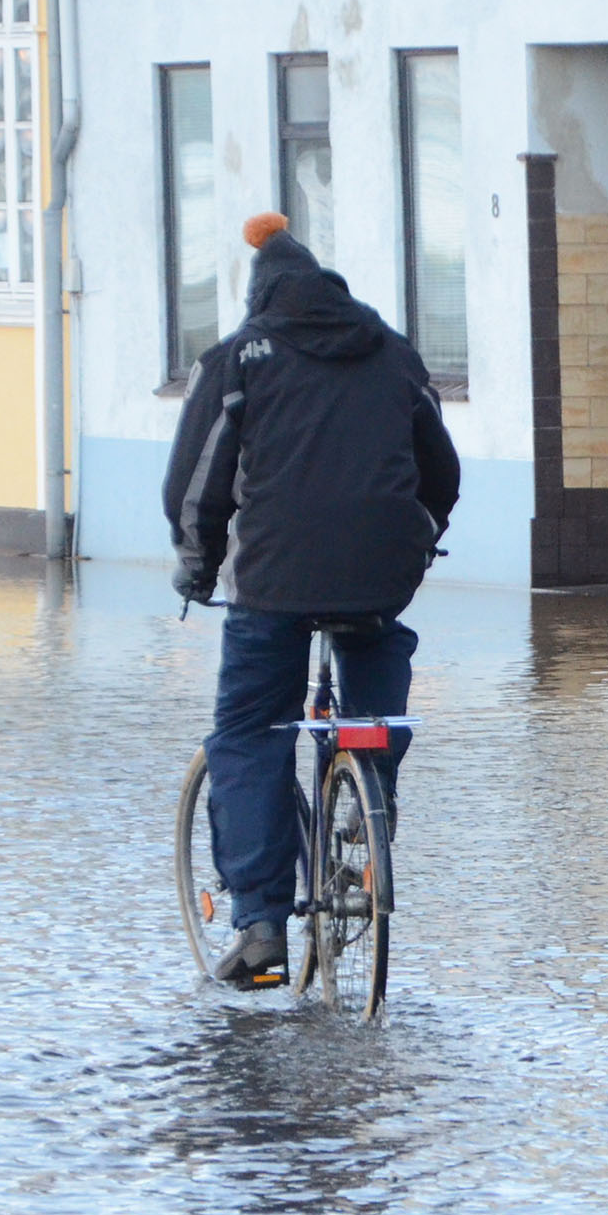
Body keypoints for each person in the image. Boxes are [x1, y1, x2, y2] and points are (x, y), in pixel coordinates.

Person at [165, 212, 460, 988]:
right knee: (373, 671)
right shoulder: (393, 355)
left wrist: (197, 566)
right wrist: (418, 538)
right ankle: (369, 802)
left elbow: (195, 484)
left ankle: (262, 922)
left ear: (259, 298)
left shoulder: (238, 361)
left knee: (249, 730)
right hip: (378, 572)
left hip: (275, 578)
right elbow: (443, 471)